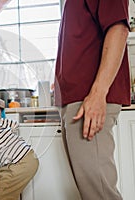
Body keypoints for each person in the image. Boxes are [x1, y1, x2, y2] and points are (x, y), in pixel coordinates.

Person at [54, 1, 130, 200]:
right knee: (92, 192)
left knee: (99, 194)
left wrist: (97, 94)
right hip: (76, 101)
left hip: (88, 100)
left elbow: (118, 28)